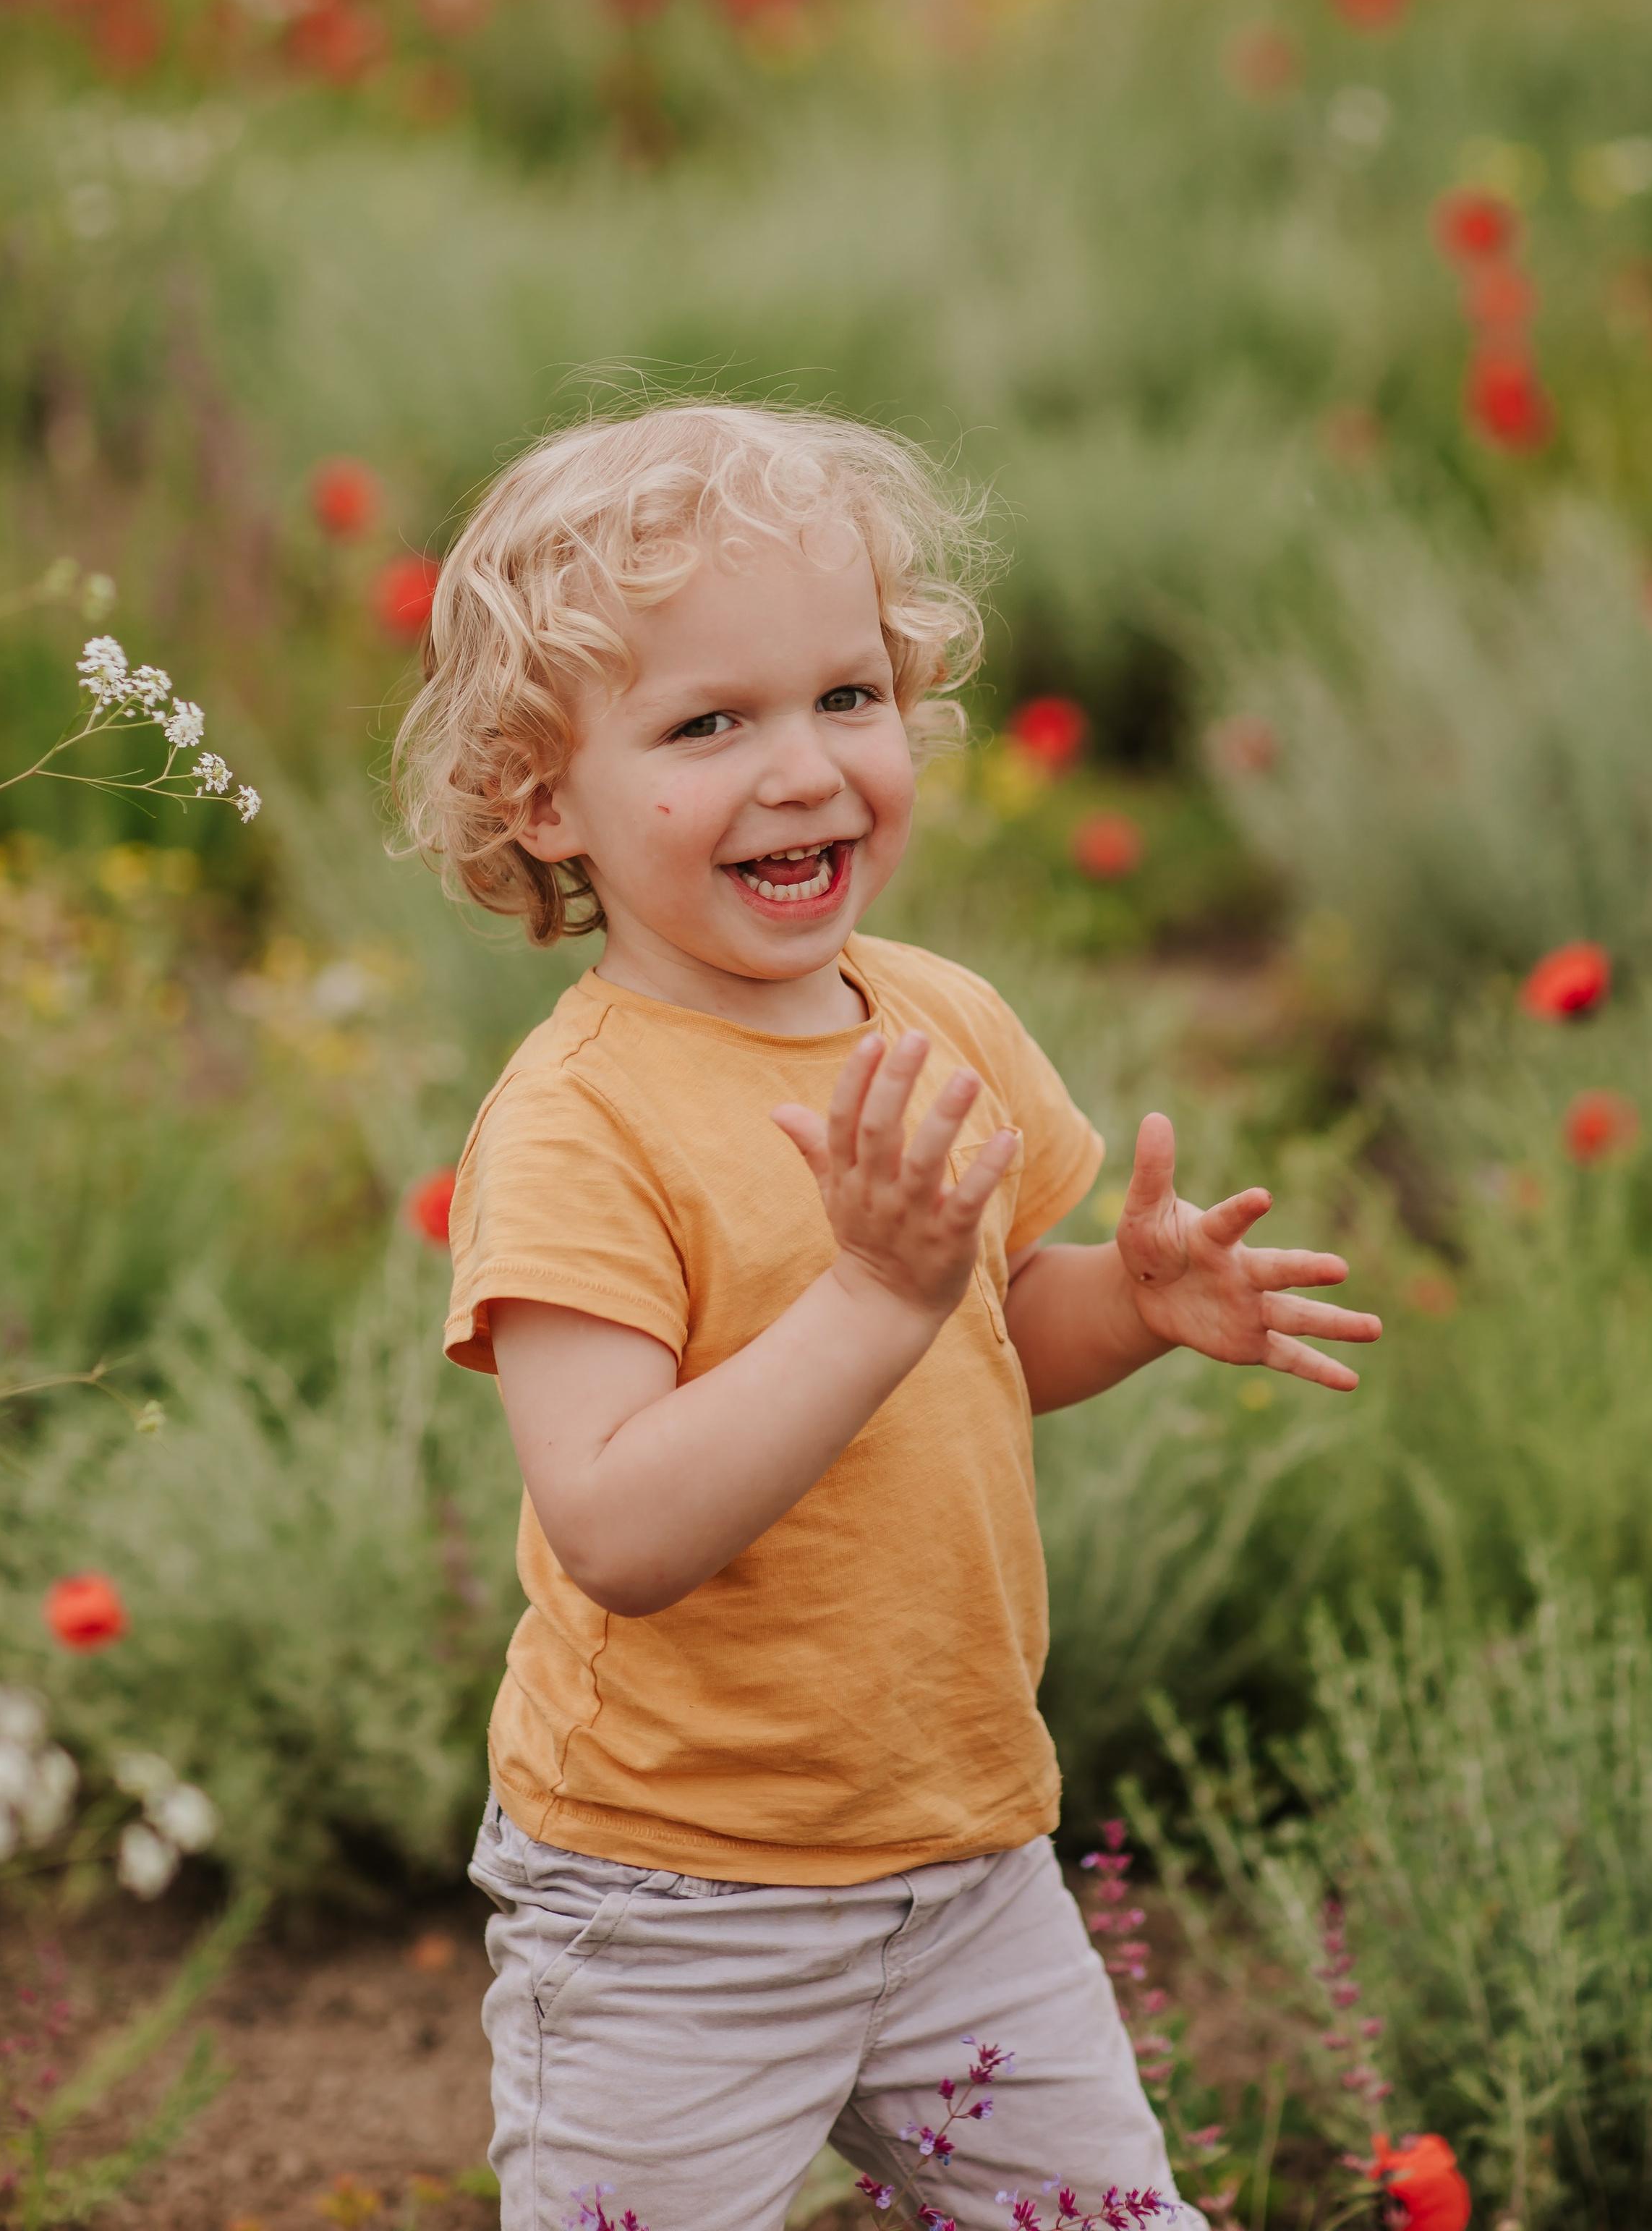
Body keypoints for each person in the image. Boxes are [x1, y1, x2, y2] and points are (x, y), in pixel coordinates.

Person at [395, 402, 1380, 2231]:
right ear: (545, 799)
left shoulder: (935, 1017)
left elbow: (993, 1327)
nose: (804, 769)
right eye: (708, 724)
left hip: (965, 1861)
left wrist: (1135, 1306)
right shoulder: (578, 1123)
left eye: (846, 697)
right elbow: (614, 1527)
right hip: (668, 1906)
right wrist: (868, 1297)